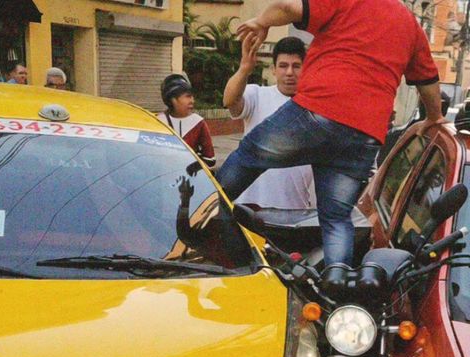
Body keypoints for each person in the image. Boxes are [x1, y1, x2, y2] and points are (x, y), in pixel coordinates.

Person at [220, 0, 442, 266]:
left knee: (249, 154)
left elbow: (289, 8)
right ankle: (337, 280)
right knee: (336, 218)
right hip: (364, 135)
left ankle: (204, 205)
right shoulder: (411, 25)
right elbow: (428, 81)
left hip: (319, 111)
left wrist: (261, 21)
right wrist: (433, 118)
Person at [222, 36, 315, 209]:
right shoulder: (256, 95)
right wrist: (244, 69)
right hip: (248, 210)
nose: (289, 72)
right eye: (283, 66)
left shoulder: (316, 106)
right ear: (273, 69)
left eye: (296, 66)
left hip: (294, 211)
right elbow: (230, 101)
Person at [157, 74, 215, 167]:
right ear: (173, 100)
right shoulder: (159, 122)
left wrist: (195, 166)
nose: (192, 100)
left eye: (192, 97)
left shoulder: (199, 123)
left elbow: (210, 159)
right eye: (187, 96)